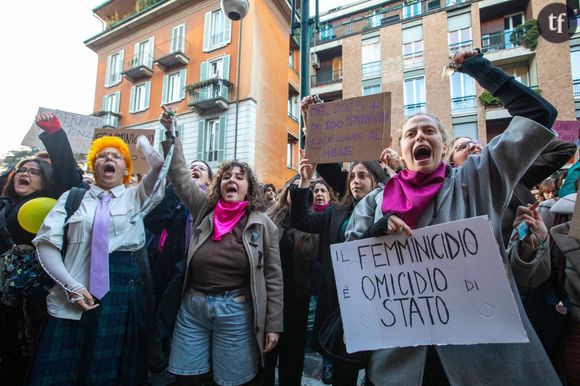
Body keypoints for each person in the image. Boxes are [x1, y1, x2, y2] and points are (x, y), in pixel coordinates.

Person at [344, 50, 560, 385]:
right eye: (410, 134)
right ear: (400, 151)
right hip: (400, 364)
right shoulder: (374, 202)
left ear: (443, 147)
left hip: (482, 362)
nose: (420, 137)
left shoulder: (477, 178)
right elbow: (349, 267)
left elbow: (538, 113)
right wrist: (377, 232)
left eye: (429, 131)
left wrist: (477, 68)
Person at [159, 109, 283, 386]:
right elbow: (179, 175)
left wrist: (273, 324)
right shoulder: (205, 209)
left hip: (236, 311)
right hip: (193, 308)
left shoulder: (263, 224)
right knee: (186, 379)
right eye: (227, 176)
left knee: (232, 381)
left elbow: (274, 278)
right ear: (219, 184)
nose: (232, 180)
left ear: (249, 189)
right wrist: (171, 134)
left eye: (240, 177)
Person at [29, 135, 164, 385]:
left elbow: (159, 166)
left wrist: (143, 142)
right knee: (61, 372)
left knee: (107, 372)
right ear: (94, 165)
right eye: (102, 155)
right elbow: (47, 245)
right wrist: (72, 287)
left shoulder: (137, 197)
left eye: (117, 156)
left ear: (126, 169)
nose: (109, 158)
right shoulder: (72, 198)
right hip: (73, 291)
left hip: (121, 293)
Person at [0, 113, 82, 385]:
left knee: (25, 351)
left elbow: (69, 176)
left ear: (47, 181)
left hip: (33, 295)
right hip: (4, 293)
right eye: (20, 170)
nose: (24, 173)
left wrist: (56, 135)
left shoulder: (52, 201)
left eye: (33, 172)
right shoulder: (4, 203)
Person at [290, 159, 385, 386]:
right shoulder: (336, 211)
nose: (355, 181)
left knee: (378, 371)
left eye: (362, 176)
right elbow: (299, 220)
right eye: (352, 177)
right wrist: (304, 180)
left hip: (378, 303)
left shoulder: (389, 208)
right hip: (341, 304)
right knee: (344, 371)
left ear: (376, 181)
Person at [145, 159, 213, 372]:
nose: (195, 169)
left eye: (201, 168)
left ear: (210, 180)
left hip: (200, 270)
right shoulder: (174, 199)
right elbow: (153, 223)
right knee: (164, 313)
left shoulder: (213, 204)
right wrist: (175, 189)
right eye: (191, 166)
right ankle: (161, 358)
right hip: (170, 266)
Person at [261, 175, 319, 386]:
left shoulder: (312, 223)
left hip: (297, 300)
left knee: (292, 358)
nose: (296, 193)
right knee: (266, 355)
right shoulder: (268, 218)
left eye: (302, 190)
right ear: (285, 191)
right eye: (293, 188)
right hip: (268, 298)